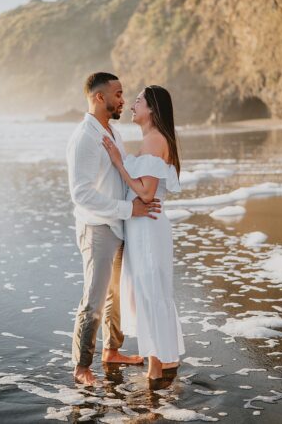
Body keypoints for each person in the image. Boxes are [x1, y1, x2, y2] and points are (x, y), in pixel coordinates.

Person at [67, 72, 160, 386]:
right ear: (99, 97)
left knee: (114, 296)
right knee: (94, 298)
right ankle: (81, 367)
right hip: (98, 228)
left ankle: (112, 351)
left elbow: (119, 176)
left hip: (119, 226)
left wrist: (139, 201)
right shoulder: (85, 137)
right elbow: (81, 193)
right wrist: (128, 208)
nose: (123, 99)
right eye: (118, 94)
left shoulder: (112, 132)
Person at [100, 85, 186, 385]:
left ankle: (155, 367)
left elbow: (147, 194)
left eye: (138, 101)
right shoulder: (152, 140)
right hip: (145, 226)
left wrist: (119, 164)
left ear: (152, 109)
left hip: (147, 227)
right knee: (152, 290)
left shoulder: (153, 141)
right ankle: (165, 357)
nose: (132, 105)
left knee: (150, 291)